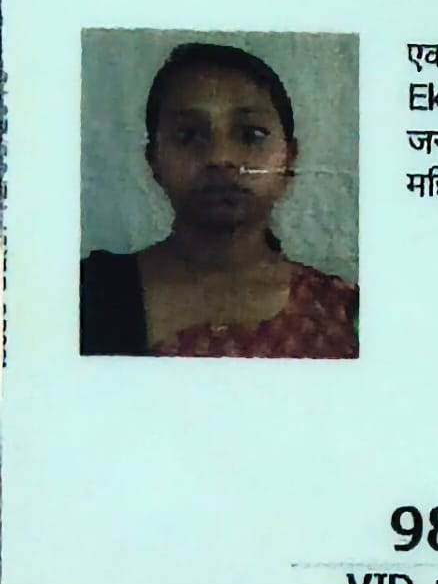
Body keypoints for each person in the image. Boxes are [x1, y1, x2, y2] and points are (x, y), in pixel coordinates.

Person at [80, 42, 358, 358]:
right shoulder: (88, 297)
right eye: (188, 135)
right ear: (153, 161)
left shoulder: (344, 317)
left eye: (251, 135)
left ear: (290, 159)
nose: (220, 157)